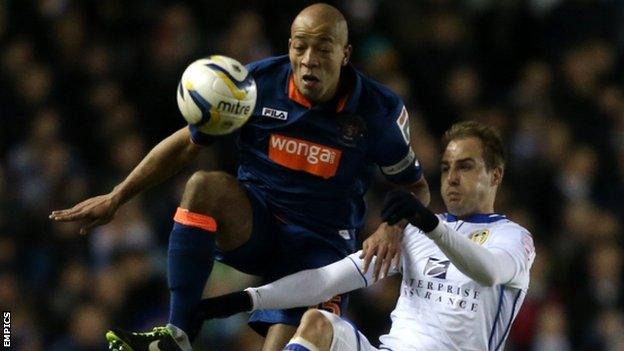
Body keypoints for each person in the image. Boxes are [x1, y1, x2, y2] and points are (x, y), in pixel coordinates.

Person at [49, 3, 429, 351]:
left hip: (319, 251)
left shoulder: (378, 111)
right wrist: (117, 196)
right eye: (300, 47)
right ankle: (177, 334)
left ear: (345, 54)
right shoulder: (256, 85)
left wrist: (393, 226)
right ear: (290, 46)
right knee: (203, 187)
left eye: (324, 48)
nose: (309, 59)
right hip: (256, 224)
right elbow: (187, 143)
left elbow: (414, 186)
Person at [195, 121, 536, 351]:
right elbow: (327, 280)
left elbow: (488, 271)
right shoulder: (414, 232)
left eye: (466, 166)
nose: (451, 178)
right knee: (317, 322)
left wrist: (429, 223)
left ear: (495, 175)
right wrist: (247, 299)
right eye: (446, 167)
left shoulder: (512, 238)